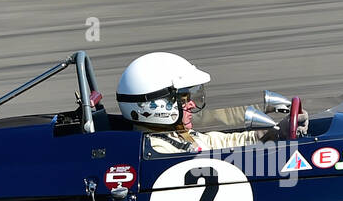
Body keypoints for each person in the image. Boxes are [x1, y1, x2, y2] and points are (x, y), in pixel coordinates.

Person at [116, 51, 291, 155]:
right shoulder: (159, 148)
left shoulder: (175, 135)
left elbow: (218, 143)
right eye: (184, 100)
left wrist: (269, 134)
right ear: (155, 105)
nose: (192, 105)